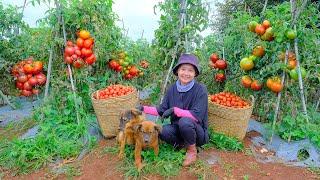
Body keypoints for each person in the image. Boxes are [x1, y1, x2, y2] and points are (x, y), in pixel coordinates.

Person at [138, 53, 209, 167]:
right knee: (161, 130)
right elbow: (162, 110)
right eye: (183, 69)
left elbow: (197, 115)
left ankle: (192, 150)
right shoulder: (172, 89)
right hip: (178, 129)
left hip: (197, 132)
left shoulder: (200, 90)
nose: (186, 73)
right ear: (177, 71)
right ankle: (182, 145)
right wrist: (142, 108)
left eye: (190, 70)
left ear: (195, 73)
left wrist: (176, 110)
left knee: (185, 122)